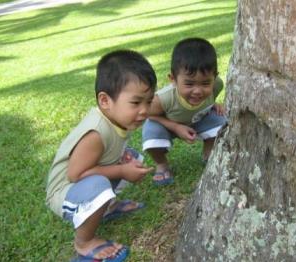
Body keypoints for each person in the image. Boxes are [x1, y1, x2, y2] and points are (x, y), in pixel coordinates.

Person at [45, 50, 156, 261]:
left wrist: (124, 164)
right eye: (136, 102)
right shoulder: (96, 132)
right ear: (105, 100)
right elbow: (76, 174)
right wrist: (122, 170)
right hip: (64, 192)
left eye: (149, 102)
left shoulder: (118, 118)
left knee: (130, 156)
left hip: (82, 182)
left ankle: (107, 207)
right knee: (100, 185)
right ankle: (84, 242)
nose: (144, 111)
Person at [142, 37, 226, 186]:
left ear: (215, 77)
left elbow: (209, 99)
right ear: (173, 79)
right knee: (151, 134)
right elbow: (147, 113)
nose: (198, 91)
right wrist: (175, 127)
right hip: (168, 125)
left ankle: (209, 154)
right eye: (189, 83)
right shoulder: (163, 98)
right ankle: (161, 164)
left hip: (197, 120)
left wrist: (214, 104)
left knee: (222, 123)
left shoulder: (217, 85)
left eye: (206, 83)